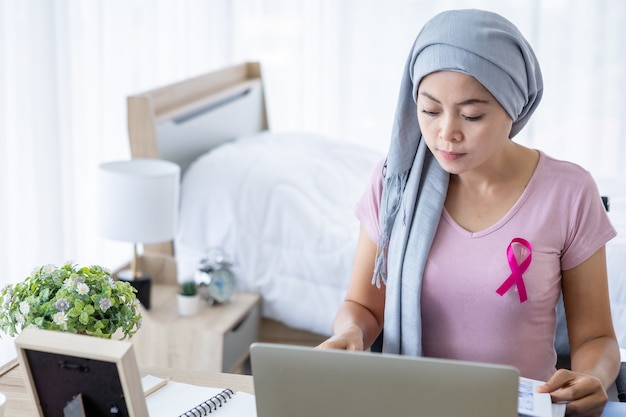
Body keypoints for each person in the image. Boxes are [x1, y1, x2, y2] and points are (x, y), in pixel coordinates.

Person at [318, 9, 620, 417]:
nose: (446, 132)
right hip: (409, 406)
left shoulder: (568, 192)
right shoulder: (395, 184)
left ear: (513, 107)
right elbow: (365, 307)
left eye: (472, 114)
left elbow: (595, 337)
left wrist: (595, 378)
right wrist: (351, 334)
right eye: (429, 110)